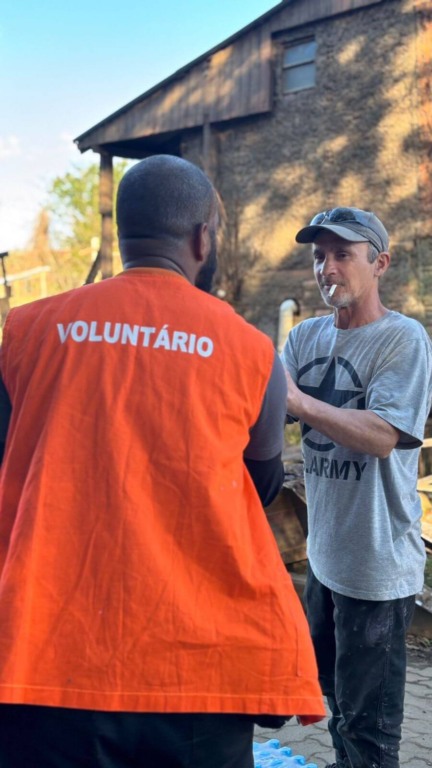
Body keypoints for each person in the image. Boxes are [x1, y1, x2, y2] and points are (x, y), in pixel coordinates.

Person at [0, 155, 324, 768]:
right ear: (203, 237)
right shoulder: (251, 353)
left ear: (124, 233)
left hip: (44, 660)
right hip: (196, 673)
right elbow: (257, 485)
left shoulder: (27, 330)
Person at [280, 206, 432, 768]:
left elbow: (382, 435)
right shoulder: (304, 338)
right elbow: (268, 418)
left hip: (376, 572)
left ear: (380, 262)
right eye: (320, 256)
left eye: (343, 254)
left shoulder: (403, 340)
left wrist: (295, 402)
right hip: (324, 561)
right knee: (337, 707)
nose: (328, 268)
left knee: (370, 735)